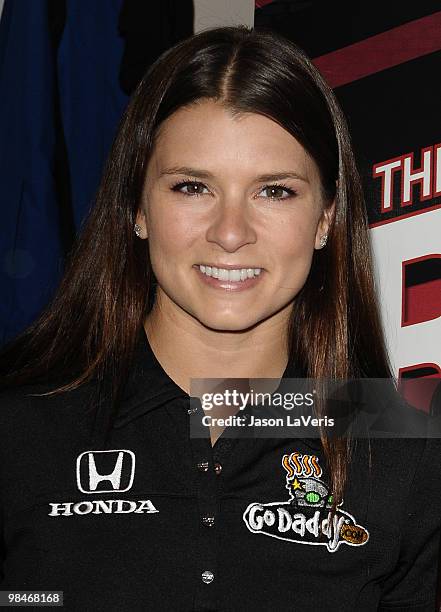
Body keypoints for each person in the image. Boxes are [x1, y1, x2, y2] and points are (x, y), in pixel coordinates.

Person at [0, 25, 440, 612]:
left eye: (274, 192)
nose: (230, 233)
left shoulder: (405, 439)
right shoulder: (19, 421)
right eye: (192, 186)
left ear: (326, 220)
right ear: (137, 209)